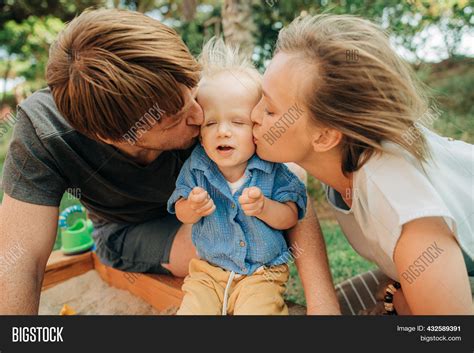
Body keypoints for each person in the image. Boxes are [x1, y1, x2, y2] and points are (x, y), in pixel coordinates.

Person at [0, 8, 340, 315]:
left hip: (218, 207)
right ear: (116, 136)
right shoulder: (44, 132)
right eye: (175, 117)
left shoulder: (172, 80)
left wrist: (323, 304)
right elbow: (19, 259)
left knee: (273, 167)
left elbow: (283, 174)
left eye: (191, 91)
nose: (198, 115)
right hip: (131, 229)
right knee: (215, 254)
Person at [251, 14, 474, 315]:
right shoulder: (349, 156)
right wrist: (398, 283)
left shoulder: (405, 211)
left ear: (326, 136)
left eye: (270, 110)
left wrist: (407, 301)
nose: (252, 114)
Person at [167, 39, 307, 315]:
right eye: (211, 123)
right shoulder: (197, 167)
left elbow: (291, 217)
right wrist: (192, 208)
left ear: (256, 124)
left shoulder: (271, 168)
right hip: (208, 272)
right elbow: (181, 212)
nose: (223, 132)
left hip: (262, 273)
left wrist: (266, 208)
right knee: (191, 311)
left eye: (238, 122)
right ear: (200, 131)